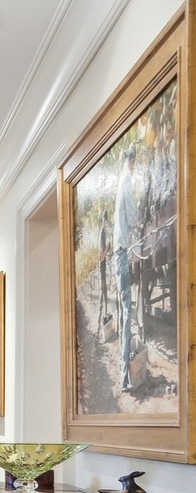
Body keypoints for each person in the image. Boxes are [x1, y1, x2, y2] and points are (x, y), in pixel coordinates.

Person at [112, 145, 140, 390]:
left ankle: (123, 375)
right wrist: (142, 217)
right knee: (127, 315)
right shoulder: (127, 181)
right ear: (131, 161)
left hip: (117, 256)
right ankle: (124, 378)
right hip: (121, 257)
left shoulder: (121, 182)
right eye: (135, 162)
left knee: (124, 313)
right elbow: (133, 214)